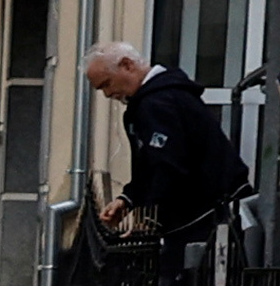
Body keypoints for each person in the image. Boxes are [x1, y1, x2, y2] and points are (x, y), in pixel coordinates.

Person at [87, 41, 250, 245]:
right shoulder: (169, 94)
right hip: (216, 210)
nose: (108, 94)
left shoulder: (156, 103)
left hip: (202, 219)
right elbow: (154, 162)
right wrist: (129, 198)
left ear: (127, 65)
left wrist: (150, 219)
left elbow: (168, 165)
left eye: (107, 83)